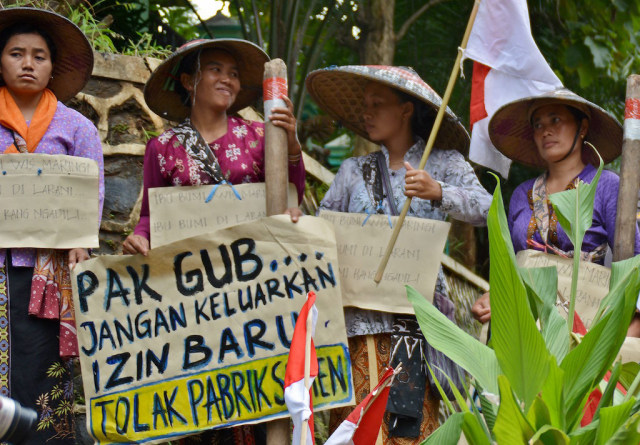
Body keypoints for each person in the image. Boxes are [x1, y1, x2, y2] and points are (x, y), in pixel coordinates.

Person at [122, 38, 304, 444]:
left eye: (235, 74)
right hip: (193, 299)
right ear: (189, 80)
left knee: (259, 392)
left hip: (253, 290)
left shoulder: (261, 137)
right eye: (216, 69)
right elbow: (154, 214)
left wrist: (290, 145)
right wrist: (138, 236)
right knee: (200, 399)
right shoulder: (163, 148)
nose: (228, 79)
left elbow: (292, 191)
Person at [305, 65, 492, 443]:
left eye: (378, 104)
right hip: (358, 321)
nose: (366, 113)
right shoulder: (353, 171)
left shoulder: (442, 163)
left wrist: (439, 191)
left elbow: (488, 209)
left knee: (410, 428)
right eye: (365, 105)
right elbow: (321, 229)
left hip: (418, 323)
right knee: (357, 426)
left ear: (406, 110)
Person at [0, 7, 103, 444]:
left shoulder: (76, 127)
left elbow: (91, 186)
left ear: (52, 67)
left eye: (39, 56)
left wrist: (81, 238)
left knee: (43, 365)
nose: (28, 63)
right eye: (16, 53)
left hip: (49, 272)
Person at [471, 89, 640, 333]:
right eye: (537, 125)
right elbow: (508, 268)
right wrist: (491, 296)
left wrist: (621, 337)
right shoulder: (522, 194)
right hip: (523, 327)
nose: (545, 131)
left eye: (556, 120)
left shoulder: (605, 186)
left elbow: (635, 264)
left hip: (584, 331)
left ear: (582, 128)